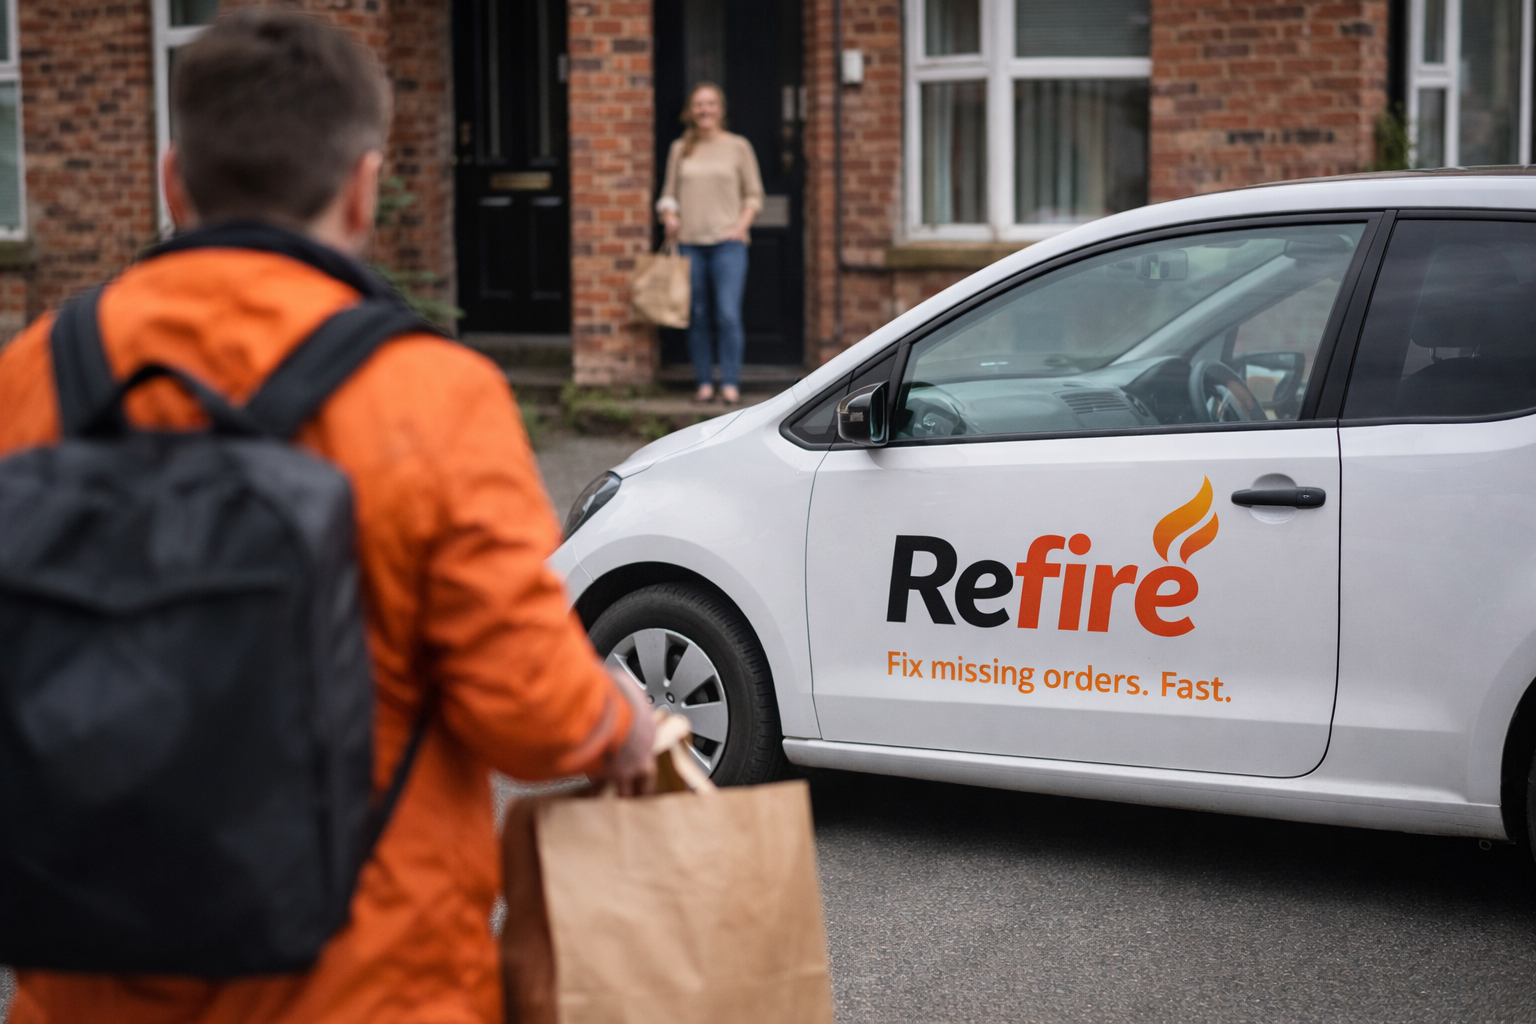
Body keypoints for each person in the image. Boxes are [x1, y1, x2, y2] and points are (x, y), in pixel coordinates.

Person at [0, 9, 655, 1023]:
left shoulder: (32, 375)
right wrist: (620, 726)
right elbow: (528, 707)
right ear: (361, 191)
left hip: (87, 980)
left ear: (175, 180)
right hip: (365, 982)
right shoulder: (434, 395)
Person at [657, 82, 764, 405]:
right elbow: (668, 195)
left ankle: (729, 382)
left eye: (711, 104)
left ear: (721, 109)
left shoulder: (738, 146)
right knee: (699, 316)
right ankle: (704, 382)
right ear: (691, 111)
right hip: (689, 245)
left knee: (728, 315)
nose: (705, 110)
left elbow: (754, 195)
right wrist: (669, 216)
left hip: (727, 245)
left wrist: (741, 226)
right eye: (699, 105)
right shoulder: (680, 148)